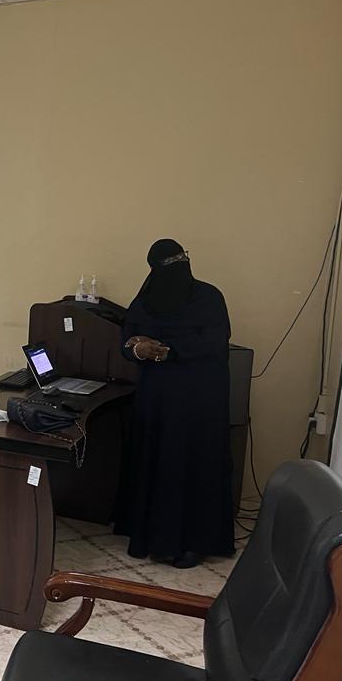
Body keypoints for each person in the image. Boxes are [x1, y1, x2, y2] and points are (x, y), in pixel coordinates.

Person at [115, 239, 234, 569]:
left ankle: (196, 543)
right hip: (157, 401)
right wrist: (137, 349)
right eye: (171, 262)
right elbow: (127, 339)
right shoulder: (144, 302)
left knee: (194, 467)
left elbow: (214, 342)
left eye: (183, 258)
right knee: (159, 465)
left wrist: (169, 351)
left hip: (199, 402)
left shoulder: (209, 298)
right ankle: (155, 539)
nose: (180, 266)